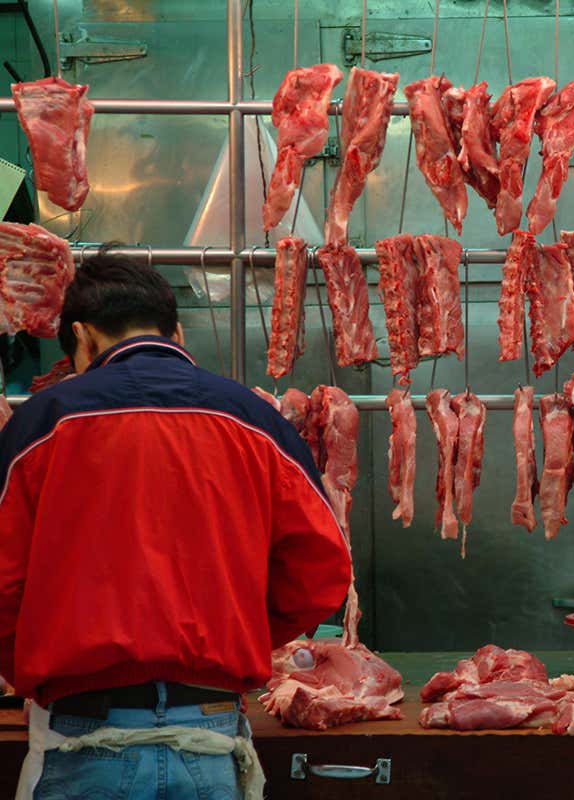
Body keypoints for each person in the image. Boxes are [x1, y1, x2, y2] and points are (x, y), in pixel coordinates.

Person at [0, 249, 352, 798]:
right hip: (208, 732)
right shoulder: (253, 421)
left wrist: (38, 660)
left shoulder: (45, 422)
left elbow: (2, 582)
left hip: (84, 735)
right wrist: (232, 630)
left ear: (83, 338)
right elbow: (320, 574)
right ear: (177, 332)